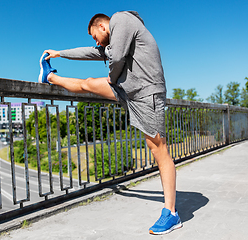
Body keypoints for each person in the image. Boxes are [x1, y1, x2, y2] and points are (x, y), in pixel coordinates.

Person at [38, 11, 182, 235]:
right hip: (129, 91)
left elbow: (116, 60)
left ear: (103, 26)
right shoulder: (113, 40)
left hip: (147, 94)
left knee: (159, 150)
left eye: (94, 36)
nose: (95, 41)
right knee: (87, 83)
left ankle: (171, 214)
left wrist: (112, 78)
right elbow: (91, 53)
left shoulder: (121, 19)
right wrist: (59, 53)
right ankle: (49, 77)